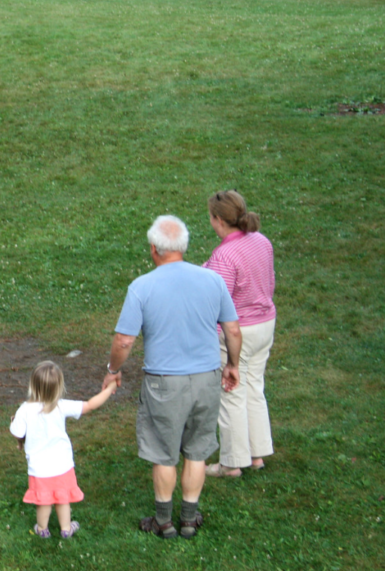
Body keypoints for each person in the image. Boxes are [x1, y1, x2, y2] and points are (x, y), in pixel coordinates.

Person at [102, 215, 242, 539]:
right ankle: (190, 520)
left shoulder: (142, 287)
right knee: (196, 450)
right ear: (184, 246)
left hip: (164, 383)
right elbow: (232, 330)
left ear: (154, 249)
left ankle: (164, 522)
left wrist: (112, 371)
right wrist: (232, 365)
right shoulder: (212, 280)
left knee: (164, 452)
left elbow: (124, 341)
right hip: (207, 379)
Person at [202, 191, 276, 477]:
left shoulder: (225, 254)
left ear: (219, 219)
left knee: (231, 392)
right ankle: (257, 455)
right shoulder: (261, 241)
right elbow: (268, 281)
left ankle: (232, 462)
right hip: (264, 324)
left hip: (237, 332)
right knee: (254, 387)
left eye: (211, 217)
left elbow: (218, 301)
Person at [10, 361, 117, 539]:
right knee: (63, 498)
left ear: (32, 385)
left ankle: (42, 529)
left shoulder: (24, 410)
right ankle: (66, 529)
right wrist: (110, 387)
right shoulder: (61, 406)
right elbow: (90, 404)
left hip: (39, 469)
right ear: (59, 386)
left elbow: (17, 432)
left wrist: (12, 422)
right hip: (63, 465)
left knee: (43, 501)